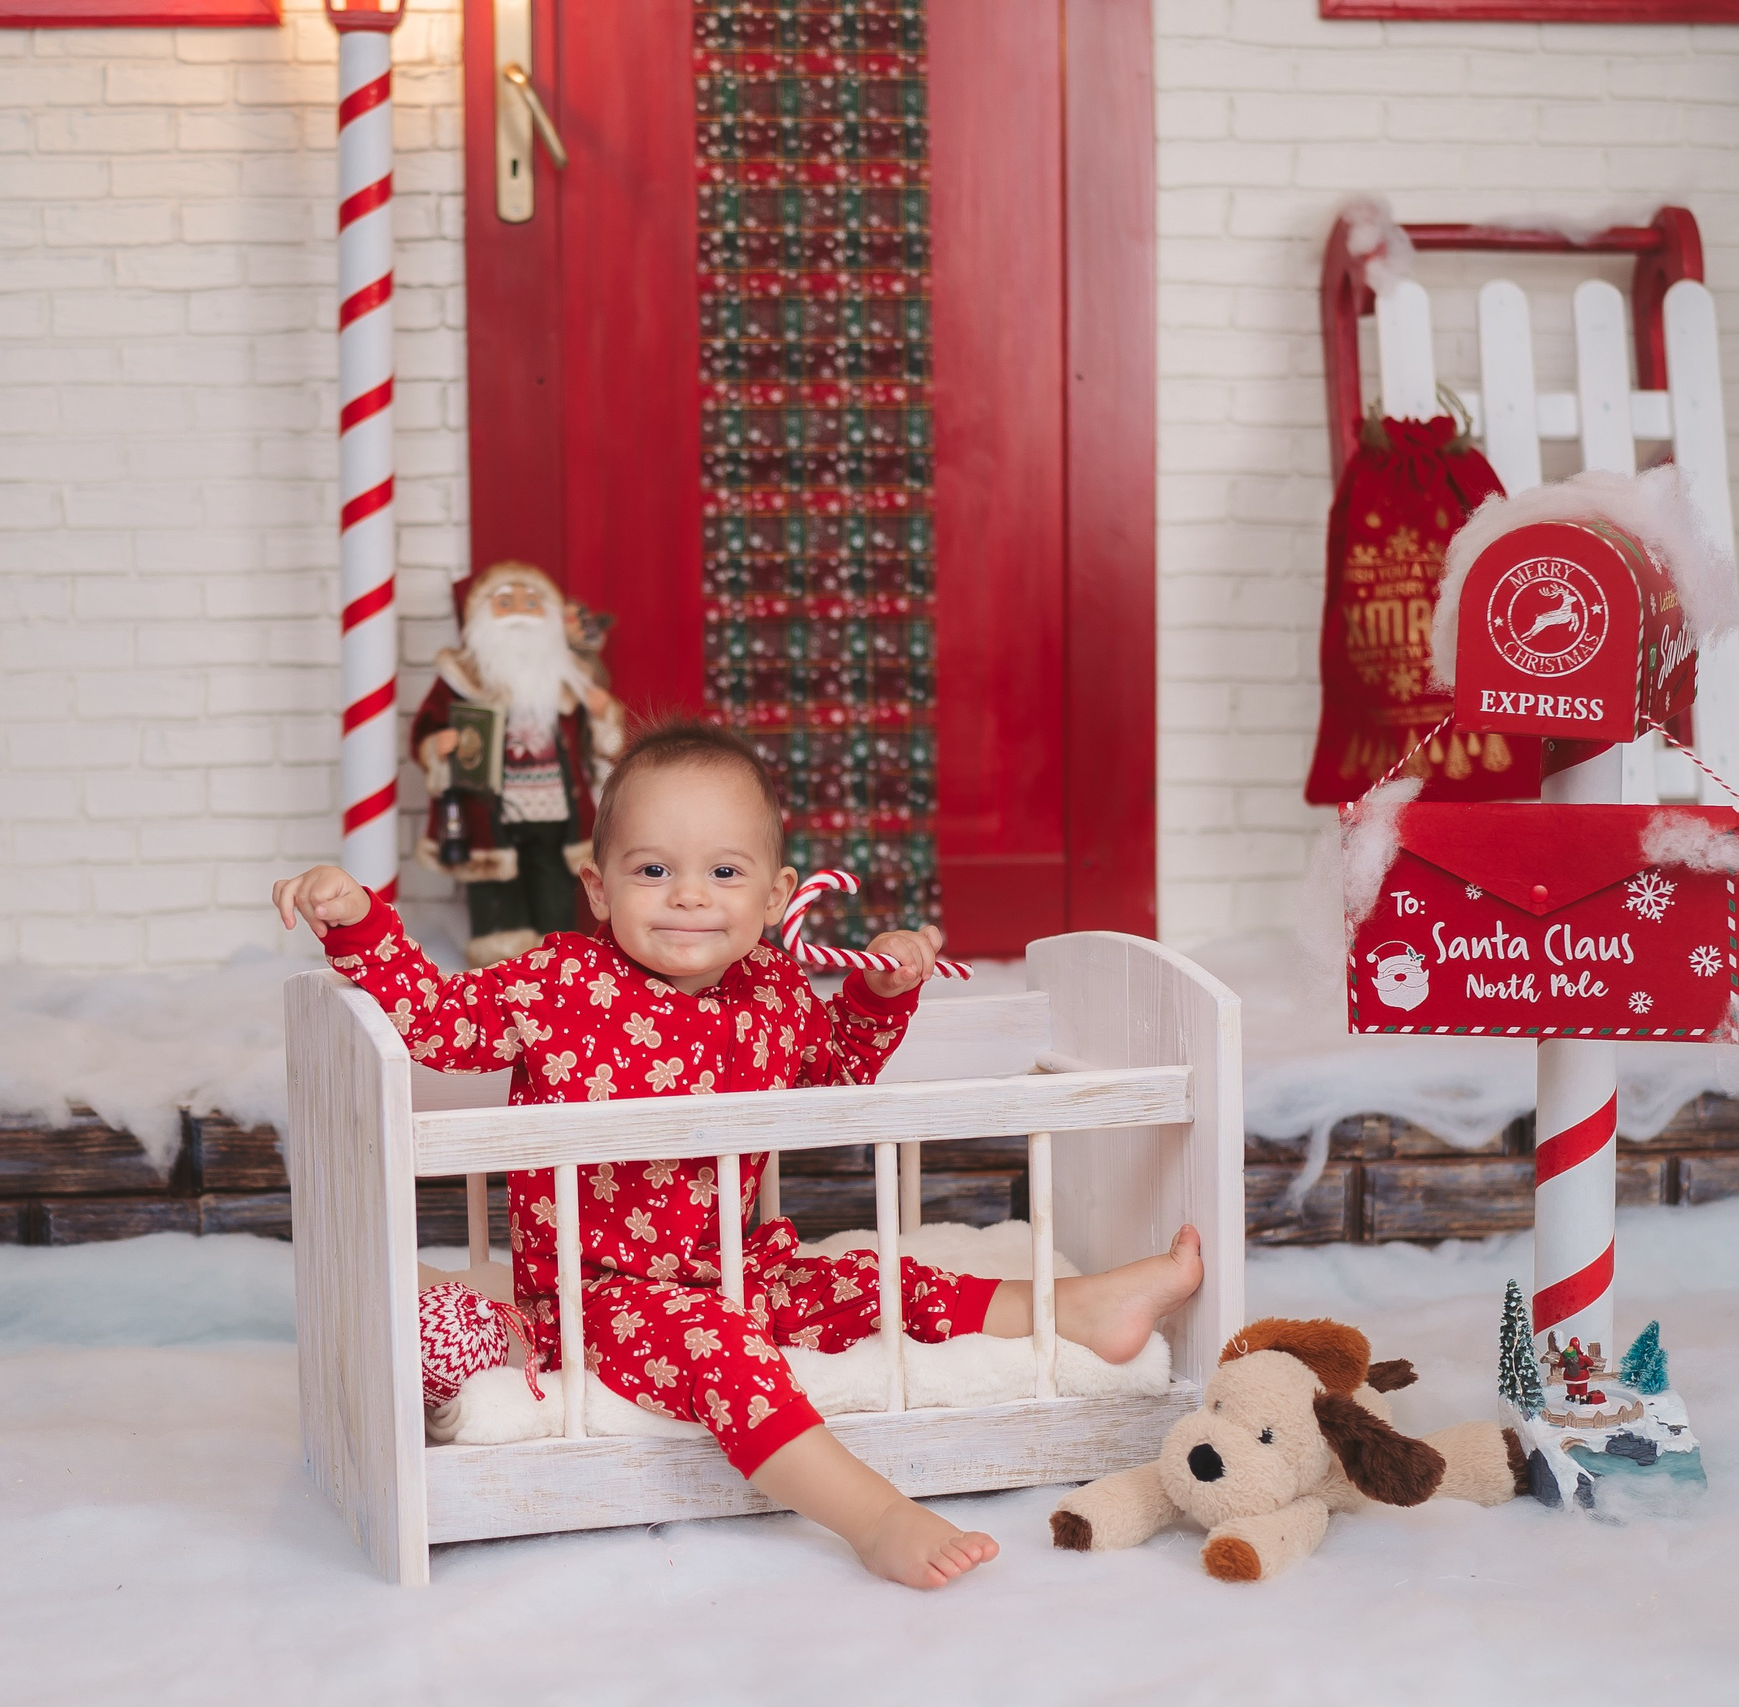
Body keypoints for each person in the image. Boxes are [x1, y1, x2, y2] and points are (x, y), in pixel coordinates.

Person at [275, 721, 1203, 1589]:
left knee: (865, 1276)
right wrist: (359, 921)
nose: (688, 894)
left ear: (772, 894)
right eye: (652, 868)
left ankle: (1078, 1308)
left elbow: (835, 1077)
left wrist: (878, 997)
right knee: (722, 1349)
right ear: (598, 887)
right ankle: (873, 1514)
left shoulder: (773, 989)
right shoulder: (561, 982)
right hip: (599, 1297)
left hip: (735, 1265)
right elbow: (437, 1025)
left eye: (723, 870)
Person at [413, 562, 626, 966]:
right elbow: (426, 729)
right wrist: (436, 745)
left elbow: (603, 747)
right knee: (497, 892)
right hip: (490, 810)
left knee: (554, 887)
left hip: (556, 810)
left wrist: (603, 715)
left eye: (531, 603)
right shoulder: (461, 679)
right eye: (505, 602)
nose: (519, 613)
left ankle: (554, 963)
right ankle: (502, 969)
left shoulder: (569, 678)